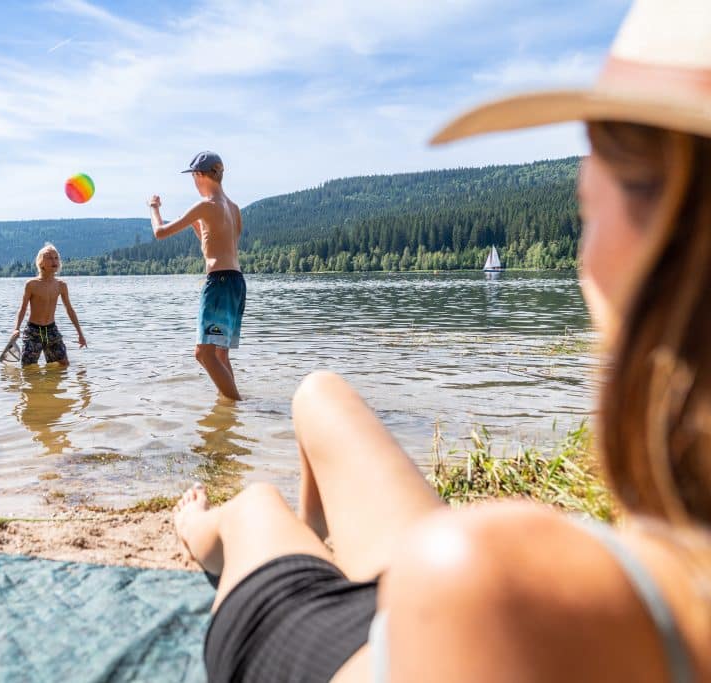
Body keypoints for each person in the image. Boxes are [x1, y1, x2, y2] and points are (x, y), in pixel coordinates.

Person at [174, 1, 711, 680]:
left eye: (586, 198)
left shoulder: (486, 580)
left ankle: (202, 530)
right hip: (429, 620)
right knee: (318, 393)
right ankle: (308, 533)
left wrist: (161, 214)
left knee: (253, 508)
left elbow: (472, 593)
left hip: (367, 641)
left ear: (657, 231)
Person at [149, 151, 245, 400]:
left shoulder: (205, 205)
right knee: (220, 354)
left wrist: (154, 208)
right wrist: (197, 228)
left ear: (199, 174)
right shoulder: (234, 208)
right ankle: (230, 410)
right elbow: (217, 246)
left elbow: (160, 232)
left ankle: (237, 404)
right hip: (236, 282)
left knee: (203, 353)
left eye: (193, 176)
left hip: (219, 283)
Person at [12, 243, 86, 367]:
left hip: (51, 330)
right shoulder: (31, 284)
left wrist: (80, 334)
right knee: (28, 368)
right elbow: (23, 308)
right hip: (33, 331)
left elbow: (69, 309)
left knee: (63, 365)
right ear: (41, 262)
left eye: (56, 258)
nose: (54, 261)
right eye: (50, 258)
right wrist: (16, 328)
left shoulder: (61, 285)